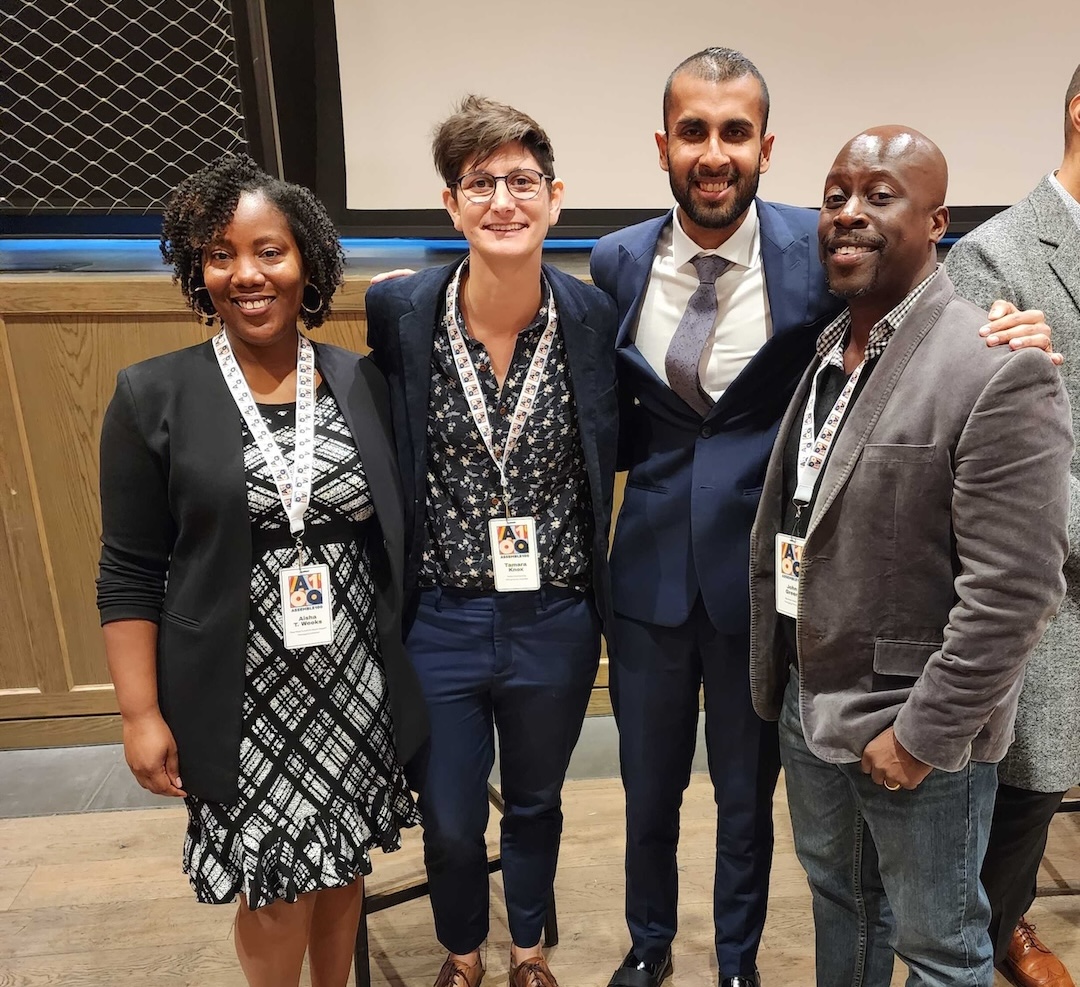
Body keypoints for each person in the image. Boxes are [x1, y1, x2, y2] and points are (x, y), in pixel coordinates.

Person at [589, 47, 1059, 987]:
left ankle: (735, 962)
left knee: (757, 810)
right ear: (662, 145)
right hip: (695, 595)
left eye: (734, 132)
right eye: (694, 131)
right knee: (672, 803)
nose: (713, 151)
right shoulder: (619, 261)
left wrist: (1017, 327)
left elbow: (923, 319)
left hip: (803, 620)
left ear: (766, 148)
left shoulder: (822, 256)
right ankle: (647, 950)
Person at [748, 125, 1072, 987]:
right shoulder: (828, 354)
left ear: (937, 222)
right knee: (841, 907)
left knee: (938, 946)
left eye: (880, 196)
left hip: (914, 729)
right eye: (835, 195)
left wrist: (923, 736)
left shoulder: (996, 363)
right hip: (814, 707)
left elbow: (1015, 591)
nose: (849, 214)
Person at [96, 153, 428, 987]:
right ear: (197, 268)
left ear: (306, 263)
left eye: (270, 251)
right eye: (221, 254)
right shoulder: (152, 395)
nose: (247, 274)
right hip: (241, 693)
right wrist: (140, 712)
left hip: (352, 681)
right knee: (277, 888)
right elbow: (129, 569)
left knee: (343, 866)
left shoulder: (360, 381)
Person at [364, 97, 618, 987]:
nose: (503, 201)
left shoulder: (593, 318)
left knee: (539, 799)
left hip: (555, 614)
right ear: (451, 203)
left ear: (555, 200)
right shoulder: (399, 314)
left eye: (522, 182)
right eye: (482, 183)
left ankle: (530, 946)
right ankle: (462, 947)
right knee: (447, 811)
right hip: (442, 613)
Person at [944, 62, 1080, 987]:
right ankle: (986, 937)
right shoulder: (996, 257)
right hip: (1056, 586)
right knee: (1026, 788)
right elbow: (1000, 457)